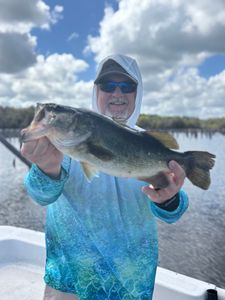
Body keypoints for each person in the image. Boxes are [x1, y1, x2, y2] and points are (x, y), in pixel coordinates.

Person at [21, 54, 188, 300]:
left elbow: (174, 211)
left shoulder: (147, 142)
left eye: (127, 86)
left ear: (137, 92)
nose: (117, 93)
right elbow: (40, 194)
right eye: (108, 86)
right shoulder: (64, 139)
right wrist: (46, 169)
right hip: (70, 281)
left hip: (130, 283)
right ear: (96, 91)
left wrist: (168, 199)